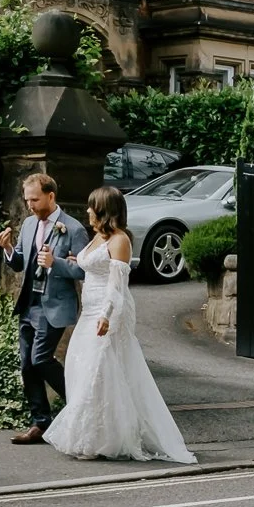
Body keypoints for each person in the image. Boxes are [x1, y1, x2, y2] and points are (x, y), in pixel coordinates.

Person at [45, 187, 195, 463]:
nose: (88, 211)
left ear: (105, 211)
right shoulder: (98, 238)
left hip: (108, 311)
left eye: (93, 207)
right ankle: (93, 433)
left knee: (98, 370)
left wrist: (106, 315)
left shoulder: (120, 240)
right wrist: (71, 260)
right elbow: (89, 266)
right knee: (81, 368)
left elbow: (117, 285)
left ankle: (99, 439)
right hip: (89, 311)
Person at [0, 172, 86, 445]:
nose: (30, 205)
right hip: (29, 303)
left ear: (51, 195)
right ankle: (41, 422)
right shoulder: (27, 225)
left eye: (35, 199)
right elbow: (20, 263)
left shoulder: (73, 229)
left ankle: (79, 406)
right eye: (27, 200)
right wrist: (9, 249)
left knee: (40, 359)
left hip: (55, 304)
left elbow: (83, 269)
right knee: (27, 365)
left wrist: (56, 263)